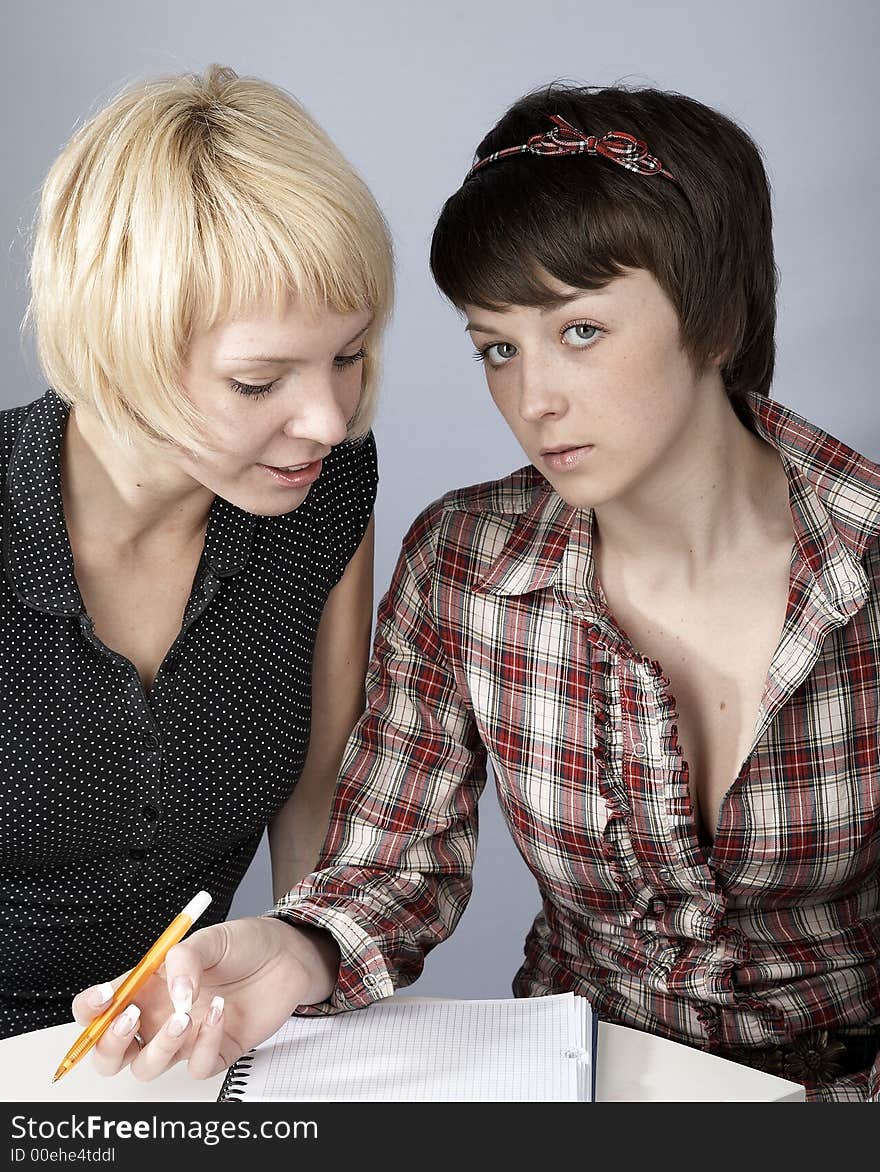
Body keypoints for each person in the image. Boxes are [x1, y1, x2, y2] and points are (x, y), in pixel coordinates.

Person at [74, 83, 879, 1103]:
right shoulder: (465, 561)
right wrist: (293, 947)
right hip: (581, 1089)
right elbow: (389, 862)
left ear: (714, 316)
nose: (531, 399)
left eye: (579, 331)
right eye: (497, 345)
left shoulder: (865, 562)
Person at [1, 63, 393, 1040]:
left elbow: (318, 818)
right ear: (117, 344)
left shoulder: (323, 490)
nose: (329, 417)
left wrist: (305, 1024)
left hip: (190, 1058)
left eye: (347, 354)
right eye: (261, 381)